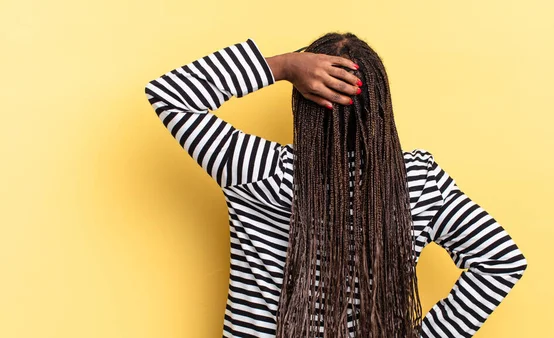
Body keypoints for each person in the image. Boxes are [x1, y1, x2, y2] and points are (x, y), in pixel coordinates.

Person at [144, 32, 528, 338]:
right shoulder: (418, 181)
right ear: (379, 105)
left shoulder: (258, 170)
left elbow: (169, 94)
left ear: (304, 101)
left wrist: (283, 65)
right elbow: (502, 262)